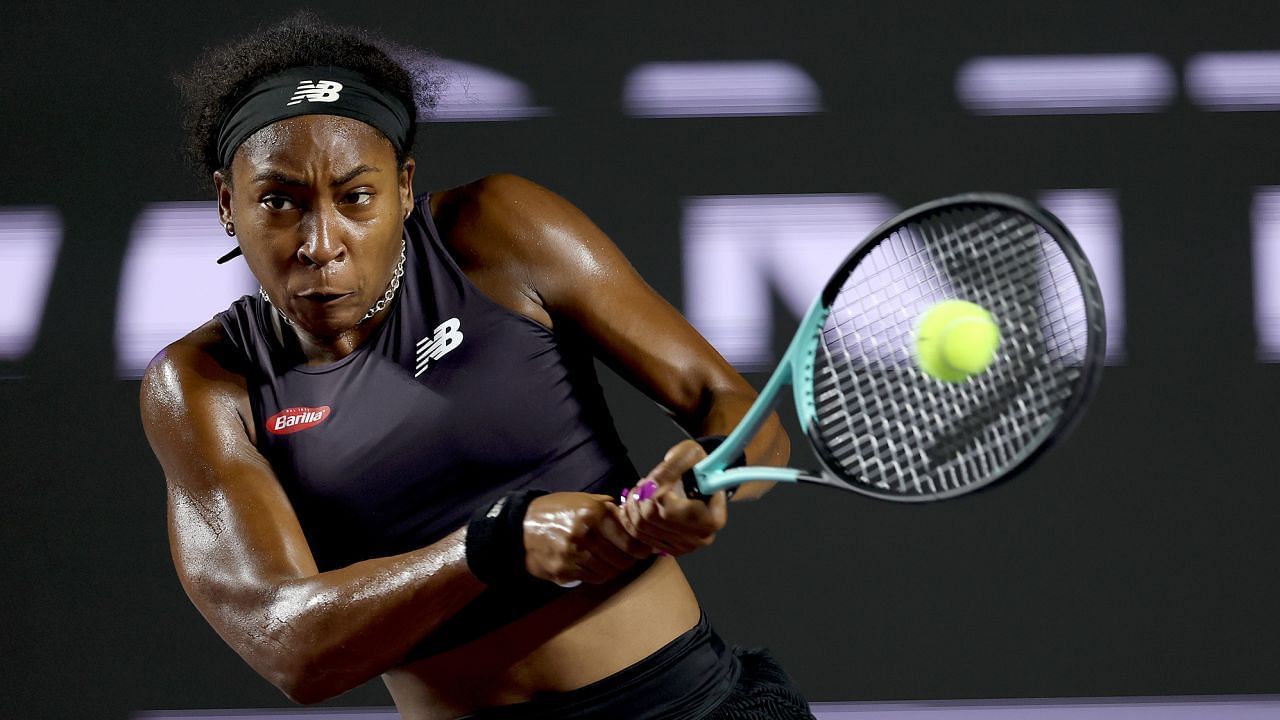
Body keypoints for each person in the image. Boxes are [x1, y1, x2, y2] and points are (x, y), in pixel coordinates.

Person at [141, 12, 815, 720]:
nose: (321, 243)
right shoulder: (202, 384)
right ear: (227, 204)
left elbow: (735, 408)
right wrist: (496, 544)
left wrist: (714, 467)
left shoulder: (498, 231)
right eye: (280, 201)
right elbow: (290, 646)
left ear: (404, 188)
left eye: (355, 197)